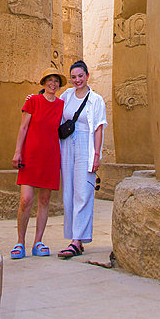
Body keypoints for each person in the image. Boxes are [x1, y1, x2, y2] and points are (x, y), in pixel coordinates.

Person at [10, 68, 66, 259]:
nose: (53, 83)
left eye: (56, 81)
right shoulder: (32, 101)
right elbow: (23, 127)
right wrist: (18, 152)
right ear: (43, 83)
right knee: (25, 200)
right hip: (31, 155)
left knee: (44, 200)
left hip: (50, 156)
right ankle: (20, 243)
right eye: (50, 80)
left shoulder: (61, 104)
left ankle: (38, 242)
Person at [58, 59, 107, 259]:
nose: (77, 80)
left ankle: (77, 241)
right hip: (67, 145)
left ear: (87, 76)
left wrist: (96, 155)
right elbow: (53, 108)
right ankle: (73, 237)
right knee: (69, 190)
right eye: (74, 77)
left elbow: (98, 129)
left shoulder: (96, 100)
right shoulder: (67, 96)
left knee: (83, 191)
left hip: (86, 147)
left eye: (80, 76)